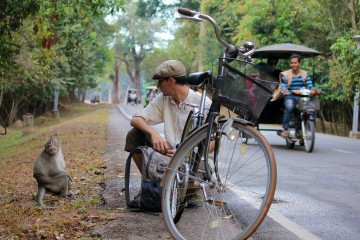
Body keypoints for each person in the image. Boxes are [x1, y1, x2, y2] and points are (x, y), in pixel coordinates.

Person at [125, 60, 212, 171]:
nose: (158, 86)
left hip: (195, 162)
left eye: (160, 82)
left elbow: (214, 143)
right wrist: (153, 133)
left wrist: (184, 153)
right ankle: (151, 183)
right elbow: (136, 120)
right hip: (170, 157)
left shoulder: (204, 103)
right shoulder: (164, 98)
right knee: (134, 136)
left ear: (171, 80)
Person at [280, 54, 316, 137]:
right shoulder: (286, 74)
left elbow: (309, 84)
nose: (293, 65)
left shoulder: (304, 74)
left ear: (299, 64)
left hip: (303, 96)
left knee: (311, 108)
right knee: (289, 108)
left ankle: (310, 127)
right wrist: (284, 89)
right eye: (292, 63)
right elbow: (284, 84)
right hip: (290, 95)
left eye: (295, 63)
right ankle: (285, 129)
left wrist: (313, 89)